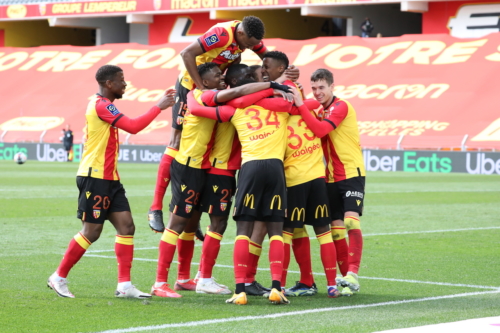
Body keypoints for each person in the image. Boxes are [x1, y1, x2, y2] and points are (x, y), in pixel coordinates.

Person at [151, 63, 292, 299]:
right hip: (199, 167)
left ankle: (194, 278)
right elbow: (201, 106)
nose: (222, 79)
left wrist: (280, 84)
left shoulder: (227, 101)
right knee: (191, 223)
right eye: (218, 76)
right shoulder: (211, 97)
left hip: (212, 169)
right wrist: (274, 87)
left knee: (205, 223)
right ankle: (169, 281)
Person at [47, 65, 176, 298]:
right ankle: (58, 277)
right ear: (109, 84)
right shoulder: (100, 105)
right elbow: (133, 127)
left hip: (110, 178)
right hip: (94, 177)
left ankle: (124, 286)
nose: (125, 84)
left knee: (126, 227)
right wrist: (159, 106)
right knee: (92, 231)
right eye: (121, 80)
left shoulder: (106, 105)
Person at [147, 16, 268, 233]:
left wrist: (287, 72)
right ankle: (155, 208)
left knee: (208, 144)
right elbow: (186, 53)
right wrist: (200, 87)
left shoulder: (250, 36)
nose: (250, 48)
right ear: (240, 33)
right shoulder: (222, 34)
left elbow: (268, 57)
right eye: (248, 44)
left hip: (214, 88)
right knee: (176, 141)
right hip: (190, 87)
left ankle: (193, 214)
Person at [186, 74, 295, 306]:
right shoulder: (281, 108)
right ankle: (277, 288)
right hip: (276, 168)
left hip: (250, 168)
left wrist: (189, 93)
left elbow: (196, 109)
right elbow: (293, 100)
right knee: (276, 231)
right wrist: (275, 90)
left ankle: (240, 290)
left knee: (243, 231)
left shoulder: (233, 109)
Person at [297, 68, 366, 296]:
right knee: (336, 231)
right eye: (314, 88)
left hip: (350, 173)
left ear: (332, 86)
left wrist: (299, 105)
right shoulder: (318, 108)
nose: (317, 93)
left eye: (322, 88)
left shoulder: (341, 106)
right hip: (329, 177)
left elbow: (319, 130)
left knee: (350, 223)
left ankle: (352, 273)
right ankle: (347, 282)